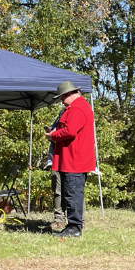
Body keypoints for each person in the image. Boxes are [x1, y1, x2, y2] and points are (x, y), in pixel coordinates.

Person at [45, 81, 95, 238]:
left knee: (73, 194)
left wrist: (53, 135)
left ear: (68, 94)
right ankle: (72, 225)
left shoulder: (78, 108)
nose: (61, 101)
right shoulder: (76, 107)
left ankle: (74, 228)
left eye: (61, 98)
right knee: (71, 193)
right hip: (71, 158)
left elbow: (70, 131)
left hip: (75, 159)